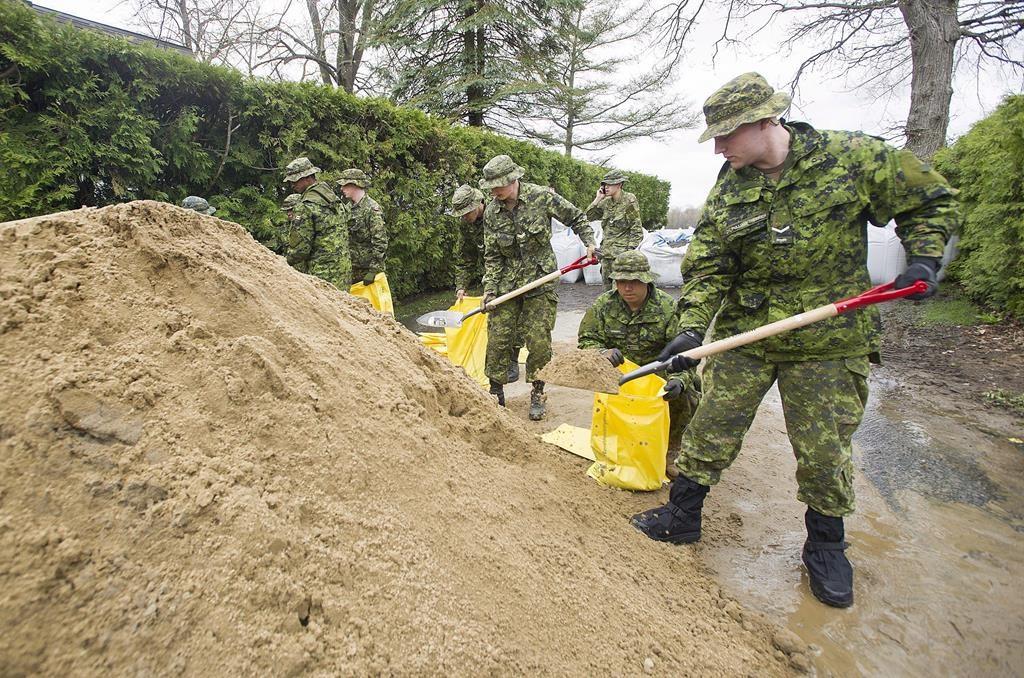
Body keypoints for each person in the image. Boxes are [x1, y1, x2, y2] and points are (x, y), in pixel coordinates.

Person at [630, 73, 958, 608]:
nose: (718, 147)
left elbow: (929, 199)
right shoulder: (730, 186)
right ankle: (683, 515)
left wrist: (922, 255)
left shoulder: (851, 157)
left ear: (765, 121)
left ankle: (826, 547)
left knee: (823, 451)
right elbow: (710, 262)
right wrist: (692, 325)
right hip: (749, 333)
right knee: (711, 427)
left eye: (726, 135)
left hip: (828, 339)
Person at [478, 154, 596, 420]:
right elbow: (493, 256)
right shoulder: (492, 213)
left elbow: (576, 217)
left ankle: (538, 392)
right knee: (498, 338)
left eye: (498, 186)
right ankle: (495, 393)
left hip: (540, 281)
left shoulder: (541, 197)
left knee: (539, 341)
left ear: (513, 180)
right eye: (491, 187)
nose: (494, 192)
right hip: (507, 284)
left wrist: (588, 241)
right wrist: (490, 290)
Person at [578, 251, 700, 476]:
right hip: (623, 377)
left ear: (647, 280)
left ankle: (672, 448)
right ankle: (617, 442)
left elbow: (686, 356)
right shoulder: (604, 305)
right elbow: (586, 340)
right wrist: (602, 352)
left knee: (685, 392)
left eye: (634, 282)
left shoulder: (667, 307)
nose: (627, 288)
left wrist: (678, 380)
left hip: (658, 374)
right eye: (622, 282)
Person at [448, 184, 521, 383]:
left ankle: (512, 359)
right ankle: (498, 360)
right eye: (461, 214)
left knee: (515, 317)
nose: (464, 217)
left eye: (467, 212)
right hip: (494, 272)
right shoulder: (466, 225)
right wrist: (461, 285)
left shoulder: (500, 213)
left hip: (517, 270)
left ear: (478, 204)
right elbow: (465, 257)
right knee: (496, 316)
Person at [280, 157, 350, 286]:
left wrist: (280, 263)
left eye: (295, 180)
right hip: (343, 269)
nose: (292, 185)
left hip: (321, 274)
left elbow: (300, 249)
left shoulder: (305, 205)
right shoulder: (332, 197)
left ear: (307, 178)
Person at [585, 170, 643, 287]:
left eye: (610, 184)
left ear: (619, 184)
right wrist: (598, 199)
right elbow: (587, 217)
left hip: (621, 257)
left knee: (620, 291)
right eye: (605, 184)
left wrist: (627, 254)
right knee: (608, 293)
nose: (606, 187)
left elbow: (636, 229)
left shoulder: (629, 200)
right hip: (606, 256)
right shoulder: (605, 202)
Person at [337, 168, 387, 287]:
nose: (341, 189)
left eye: (344, 185)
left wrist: (373, 271)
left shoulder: (372, 209)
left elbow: (380, 242)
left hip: (368, 271)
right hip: (352, 270)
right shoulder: (348, 208)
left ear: (355, 184)